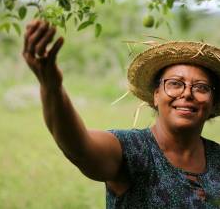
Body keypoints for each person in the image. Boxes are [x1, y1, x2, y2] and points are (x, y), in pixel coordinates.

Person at [23, 20, 220, 208]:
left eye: (201, 87)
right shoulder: (133, 149)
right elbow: (78, 147)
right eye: (175, 84)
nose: (187, 93)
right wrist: (52, 87)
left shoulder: (216, 157)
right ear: (156, 96)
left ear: (212, 102)